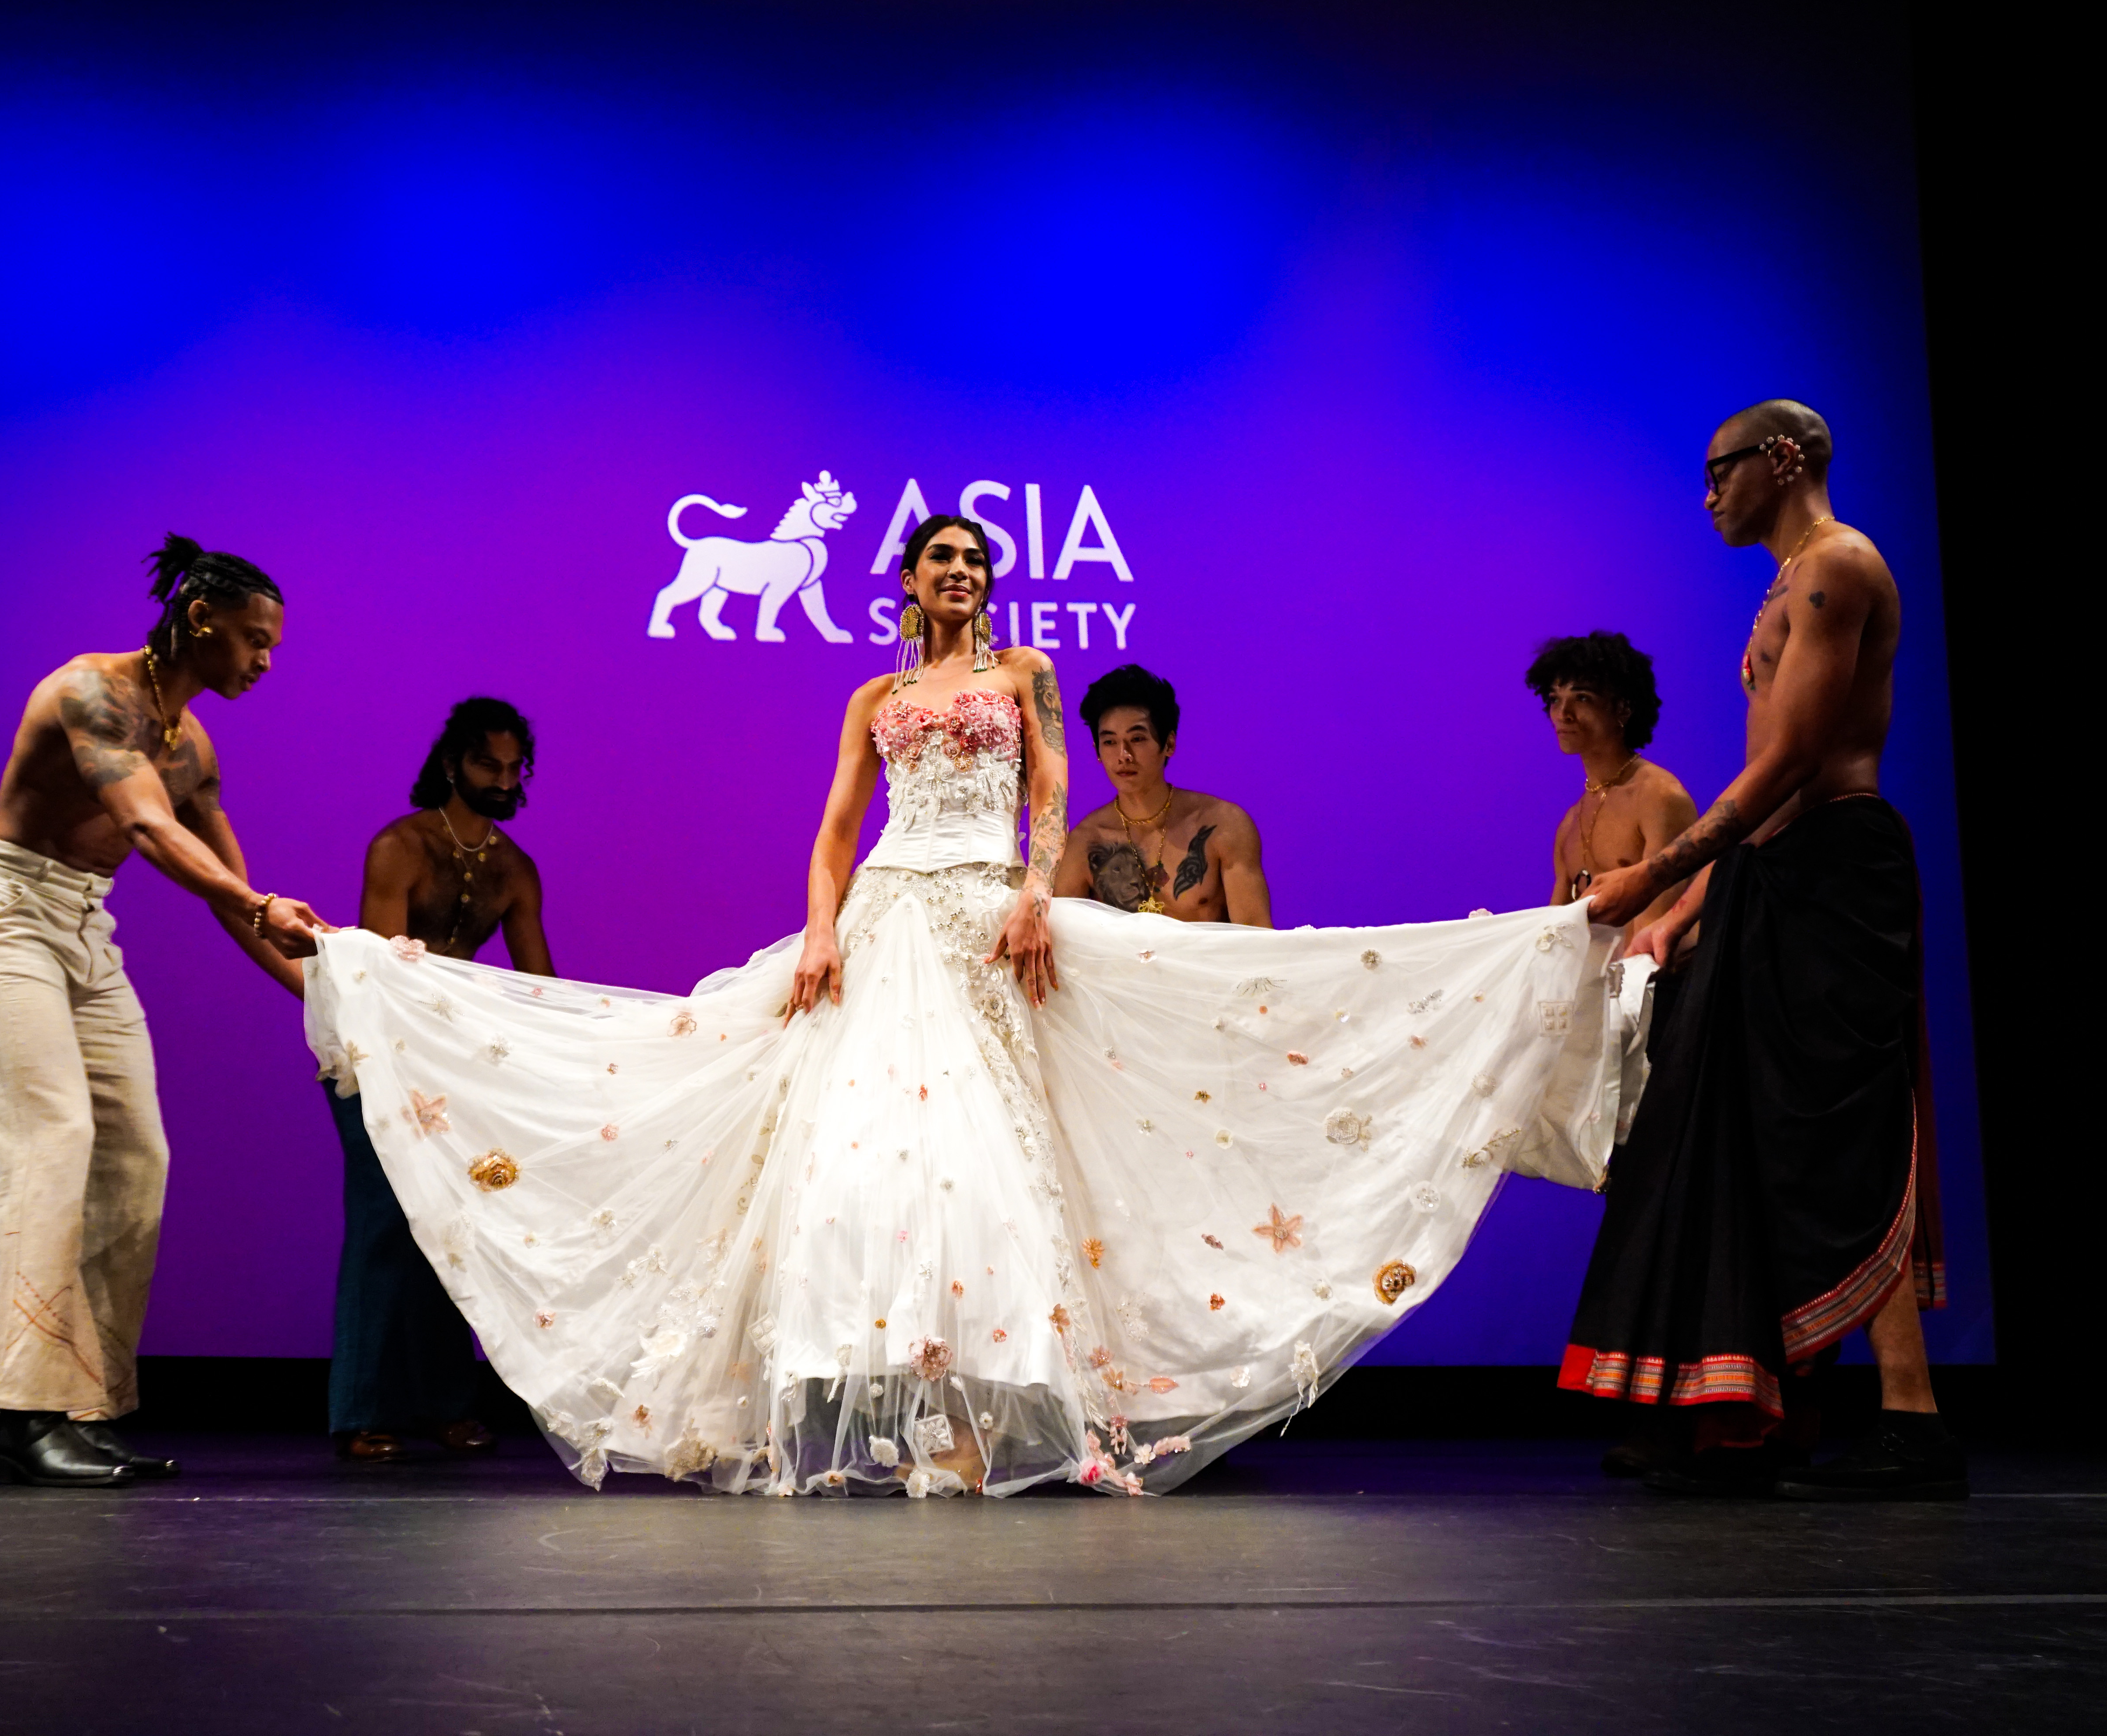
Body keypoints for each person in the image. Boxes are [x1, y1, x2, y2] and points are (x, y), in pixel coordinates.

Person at [302, 516, 1638, 1497]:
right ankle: (852, 1413)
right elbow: (834, 828)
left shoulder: (1022, 675)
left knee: (980, 1151)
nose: (961, 576)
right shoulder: (875, 693)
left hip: (981, 909)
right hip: (886, 912)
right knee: (857, 1150)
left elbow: (1050, 788)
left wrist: (1029, 892)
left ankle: (972, 1418)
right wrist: (821, 929)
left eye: (977, 564)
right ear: (907, 579)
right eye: (942, 561)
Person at [1570, 400, 1958, 1500]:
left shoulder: (1839, 567)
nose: (1708, 498)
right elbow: (1763, 798)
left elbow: (1789, 761)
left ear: (1781, 460)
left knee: (1846, 1128)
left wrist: (1655, 873)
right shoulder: (1781, 584)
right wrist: (1685, 906)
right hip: (1771, 878)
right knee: (1727, 1138)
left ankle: (1913, 1420)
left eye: (1720, 474)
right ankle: (1743, 1414)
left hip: (1840, 871)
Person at [0, 534, 329, 1487]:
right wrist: (257, 903)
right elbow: (150, 829)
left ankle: (86, 1407)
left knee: (135, 1155)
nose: (264, 661)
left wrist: (337, 998)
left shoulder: (192, 743)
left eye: (270, 645)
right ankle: (21, 1413)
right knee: (54, 1135)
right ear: (201, 619)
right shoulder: (90, 692)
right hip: (5, 915)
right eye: (252, 640)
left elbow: (236, 896)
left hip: (82, 930)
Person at [322, 698, 552, 1462]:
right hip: (377, 1049)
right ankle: (361, 1413)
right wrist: (399, 1059)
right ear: (454, 763)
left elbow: (539, 986)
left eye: (515, 766)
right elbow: (379, 973)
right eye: (489, 763)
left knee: (453, 1228)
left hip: (457, 1063)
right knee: (387, 1222)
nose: (504, 778)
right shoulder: (401, 846)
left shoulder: (515, 868)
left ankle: (447, 1407)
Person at [1054, 664, 1272, 924]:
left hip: (1205, 964)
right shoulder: (1083, 845)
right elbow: (1067, 946)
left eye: (1137, 739)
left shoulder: (1224, 825)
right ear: (1098, 752)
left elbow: (1255, 937)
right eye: (1110, 742)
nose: (1124, 755)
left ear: (1169, 744)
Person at [1527, 633, 1696, 937]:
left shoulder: (1659, 797)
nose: (1563, 714)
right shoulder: (1570, 823)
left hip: (1649, 978)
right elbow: (1551, 936)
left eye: (1581, 698)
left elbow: (1655, 931)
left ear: (1623, 708)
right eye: (1555, 699)